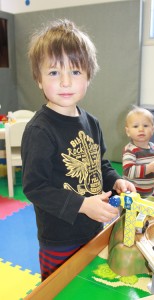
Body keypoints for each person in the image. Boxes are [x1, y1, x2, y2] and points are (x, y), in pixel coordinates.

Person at [21, 19, 135, 281]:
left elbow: (100, 163)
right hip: (60, 239)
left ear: (88, 76)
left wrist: (116, 180)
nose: (64, 82)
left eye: (74, 72)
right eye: (53, 73)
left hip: (94, 228)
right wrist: (82, 205)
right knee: (61, 289)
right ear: (38, 79)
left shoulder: (91, 122)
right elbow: (35, 187)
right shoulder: (40, 130)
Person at [122, 106, 154, 198]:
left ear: (152, 130)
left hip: (149, 193)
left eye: (145, 125)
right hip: (131, 194)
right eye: (136, 126)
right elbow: (128, 172)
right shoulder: (130, 150)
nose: (141, 129)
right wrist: (149, 168)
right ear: (128, 131)